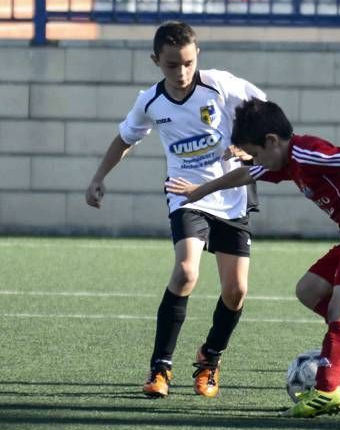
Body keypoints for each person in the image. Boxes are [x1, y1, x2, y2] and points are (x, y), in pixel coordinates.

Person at [165, 99, 340, 417]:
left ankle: (328, 390)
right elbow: (245, 175)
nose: (255, 160)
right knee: (309, 290)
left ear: (272, 141)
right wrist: (200, 190)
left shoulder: (306, 152)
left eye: (256, 153)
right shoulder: (284, 162)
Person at [85, 21, 266, 399]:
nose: (181, 73)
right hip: (185, 194)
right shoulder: (150, 101)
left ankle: (210, 359)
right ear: (156, 61)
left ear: (196, 54)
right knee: (185, 272)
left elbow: (268, 118)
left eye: (186, 62)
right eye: (171, 65)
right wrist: (100, 176)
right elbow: (125, 138)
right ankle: (160, 369)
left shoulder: (221, 85)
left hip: (231, 194)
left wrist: (247, 149)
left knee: (236, 290)